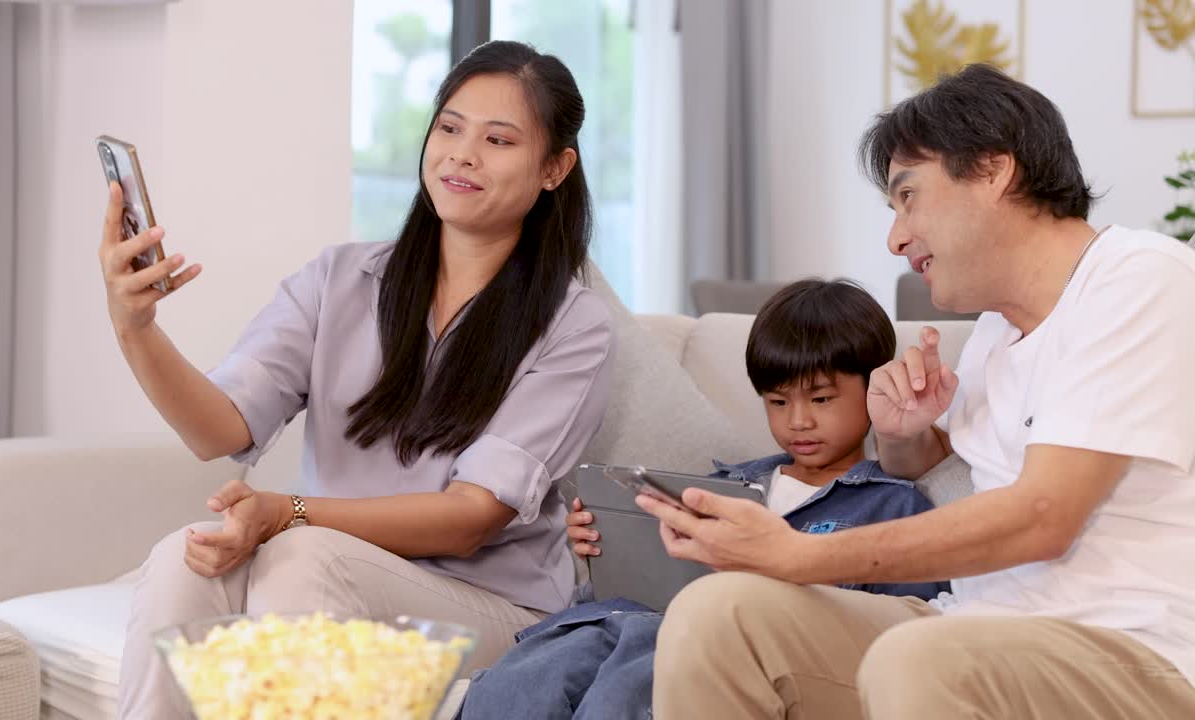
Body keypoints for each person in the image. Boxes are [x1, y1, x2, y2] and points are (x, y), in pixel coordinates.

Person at [637, 63, 1195, 719]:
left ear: (992, 170)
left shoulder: (1140, 279)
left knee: (923, 656)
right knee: (718, 615)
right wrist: (905, 436)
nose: (897, 238)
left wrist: (800, 553)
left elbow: (1045, 514)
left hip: (1132, 656)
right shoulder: (995, 331)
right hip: (976, 629)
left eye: (909, 197)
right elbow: (948, 464)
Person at [97, 41, 615, 719]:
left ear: (554, 168)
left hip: (491, 607)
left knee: (304, 559)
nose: (462, 154)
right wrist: (134, 325)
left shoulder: (574, 326)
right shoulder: (339, 279)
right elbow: (217, 427)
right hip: (335, 567)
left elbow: (469, 520)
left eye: (498, 140)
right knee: (183, 559)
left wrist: (291, 512)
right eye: (450, 127)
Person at [458, 280, 948, 720]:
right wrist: (606, 549)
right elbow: (625, 594)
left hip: (707, 649)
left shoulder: (894, 507)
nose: (797, 421)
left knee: (625, 691)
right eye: (778, 402)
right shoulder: (717, 489)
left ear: (873, 388)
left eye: (821, 400)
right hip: (620, 627)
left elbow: (891, 640)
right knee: (525, 678)